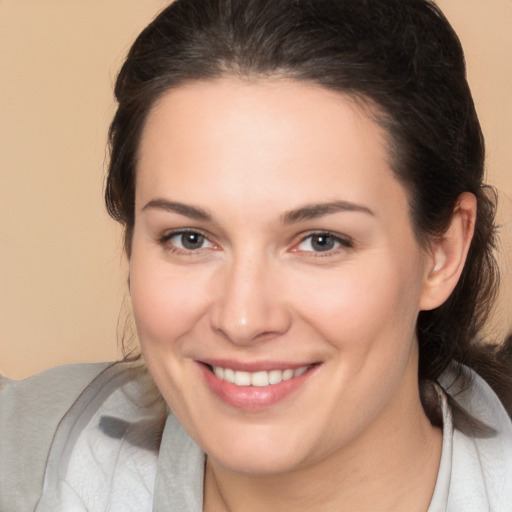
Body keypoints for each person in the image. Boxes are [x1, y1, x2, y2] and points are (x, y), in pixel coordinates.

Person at [1, 0, 511, 510]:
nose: (242, 319)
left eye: (320, 241)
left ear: (442, 253)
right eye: (190, 238)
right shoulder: (27, 462)